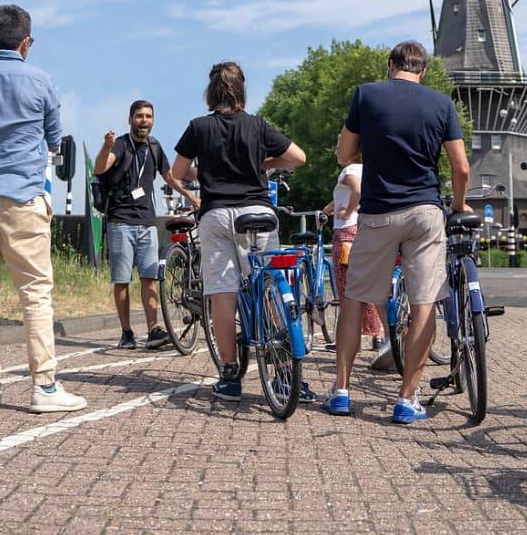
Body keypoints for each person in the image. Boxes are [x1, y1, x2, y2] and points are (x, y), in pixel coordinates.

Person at [323, 41, 470, 423]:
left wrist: (368, 149)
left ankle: (340, 391)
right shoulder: (441, 104)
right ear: (423, 71)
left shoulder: (366, 95)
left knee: (355, 299)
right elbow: (461, 169)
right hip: (424, 212)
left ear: (390, 66)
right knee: (423, 303)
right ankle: (406, 399)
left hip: (377, 214)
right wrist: (457, 204)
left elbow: (342, 153)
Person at [0, 4, 85, 414]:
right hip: (21, 195)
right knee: (35, 293)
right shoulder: (41, 80)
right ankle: (43, 386)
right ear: (25, 42)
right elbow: (54, 137)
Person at [171, 62, 307, 401]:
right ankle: (283, 374)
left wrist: (206, 170)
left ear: (211, 91)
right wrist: (265, 163)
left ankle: (230, 375)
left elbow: (178, 172)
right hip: (258, 213)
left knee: (223, 293)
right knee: (267, 285)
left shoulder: (198, 127)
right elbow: (298, 158)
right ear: (242, 90)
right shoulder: (258, 125)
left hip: (216, 214)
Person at [94, 100, 201, 349]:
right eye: (140, 116)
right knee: (121, 279)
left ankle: (154, 330)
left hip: (147, 222)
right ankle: (127, 332)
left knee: (150, 277)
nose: (144, 120)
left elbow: (170, 176)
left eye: (149, 116)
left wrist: (191, 197)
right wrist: (105, 146)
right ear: (130, 119)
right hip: (121, 221)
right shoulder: (120, 144)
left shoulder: (154, 146)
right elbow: (100, 168)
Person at [320, 141, 387, 360]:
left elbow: (356, 191)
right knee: (372, 286)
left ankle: (348, 343)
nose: (336, 150)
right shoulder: (371, 170)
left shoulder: (348, 170)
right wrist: (331, 208)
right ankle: (380, 337)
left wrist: (345, 212)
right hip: (369, 230)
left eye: (339, 147)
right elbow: (357, 192)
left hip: (347, 233)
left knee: (347, 291)